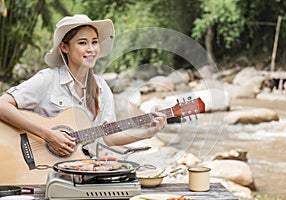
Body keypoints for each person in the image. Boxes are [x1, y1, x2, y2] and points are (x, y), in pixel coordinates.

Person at [0, 14, 167, 158]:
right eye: (82, 43)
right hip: (42, 166)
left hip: (82, 167)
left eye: (94, 42)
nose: (91, 49)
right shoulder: (48, 79)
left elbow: (108, 137)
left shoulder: (102, 89)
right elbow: (2, 105)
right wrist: (48, 135)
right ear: (64, 47)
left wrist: (148, 133)